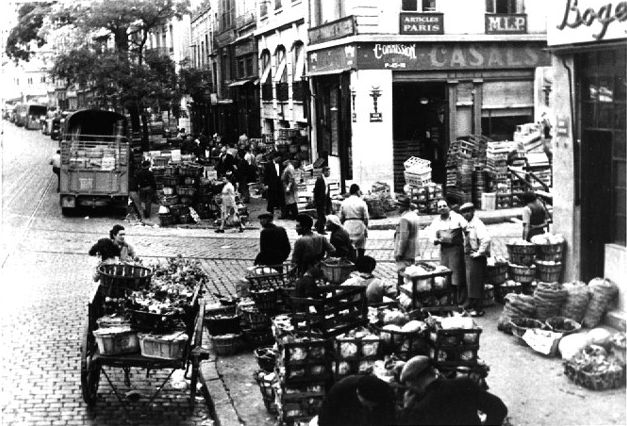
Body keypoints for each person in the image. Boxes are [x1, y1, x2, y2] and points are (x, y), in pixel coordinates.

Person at [400, 356, 507, 425]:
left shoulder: (421, 409)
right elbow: (499, 408)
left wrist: (406, 408)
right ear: (433, 371)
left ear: (415, 382)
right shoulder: (464, 384)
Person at [426, 198, 468, 304]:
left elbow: (466, 228)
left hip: (456, 250)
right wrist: (435, 240)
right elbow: (430, 234)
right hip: (444, 251)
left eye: (444, 206)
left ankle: (460, 300)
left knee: (457, 275)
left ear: (448, 207)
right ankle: (449, 298)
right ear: (437, 209)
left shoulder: (457, 217)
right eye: (439, 207)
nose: (442, 208)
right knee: (444, 274)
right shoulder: (436, 221)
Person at [318, 374, 396, 426]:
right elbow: (324, 419)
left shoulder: (386, 396)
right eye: (368, 404)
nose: (370, 407)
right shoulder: (340, 391)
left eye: (372, 405)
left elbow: (389, 420)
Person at [459, 203, 491, 317]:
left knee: (476, 284)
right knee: (470, 283)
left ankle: (479, 309)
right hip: (468, 256)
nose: (466, 214)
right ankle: (472, 305)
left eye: (468, 211)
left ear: (473, 211)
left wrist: (479, 253)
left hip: (476, 257)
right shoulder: (467, 224)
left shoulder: (478, 223)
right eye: (464, 212)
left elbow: (486, 239)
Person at [394, 197, 421, 286]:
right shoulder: (414, 215)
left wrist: (399, 253)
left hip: (405, 252)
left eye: (398, 205)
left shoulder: (404, 219)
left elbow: (403, 238)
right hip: (413, 250)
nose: (397, 207)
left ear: (403, 207)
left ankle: (401, 294)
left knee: (402, 274)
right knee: (410, 274)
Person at [340, 184, 370, 259]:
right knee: (361, 247)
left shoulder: (344, 202)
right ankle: (360, 262)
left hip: (347, 225)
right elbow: (366, 217)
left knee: (349, 246)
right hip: (359, 224)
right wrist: (366, 227)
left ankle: (350, 262)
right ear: (357, 191)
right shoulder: (362, 202)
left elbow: (341, 217)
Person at [313, 166, 332, 234]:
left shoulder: (325, 179)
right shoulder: (320, 179)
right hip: (320, 200)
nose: (329, 173)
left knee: (322, 214)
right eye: (328, 172)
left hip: (325, 198)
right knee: (322, 214)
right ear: (325, 172)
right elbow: (316, 191)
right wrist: (316, 200)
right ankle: (321, 229)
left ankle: (317, 225)